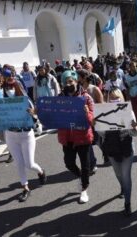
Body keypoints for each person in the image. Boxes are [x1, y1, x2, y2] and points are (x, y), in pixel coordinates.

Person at [2, 77, 46, 202]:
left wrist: (33, 114)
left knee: (29, 164)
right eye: (7, 87)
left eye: (11, 86)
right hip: (11, 134)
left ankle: (41, 171)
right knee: (19, 163)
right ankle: (25, 188)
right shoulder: (2, 101)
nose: (9, 89)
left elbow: (36, 115)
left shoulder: (25, 100)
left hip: (26, 134)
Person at [99, 88, 137, 216]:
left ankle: (128, 202)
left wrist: (133, 126)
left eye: (117, 97)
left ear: (122, 98)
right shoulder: (104, 112)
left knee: (126, 176)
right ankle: (123, 187)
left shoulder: (128, 111)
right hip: (112, 147)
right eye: (112, 98)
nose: (115, 100)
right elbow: (102, 135)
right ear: (108, 99)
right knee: (118, 174)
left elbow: (134, 133)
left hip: (126, 146)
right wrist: (97, 125)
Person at [58, 70, 95, 203]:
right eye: (66, 82)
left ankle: (84, 189)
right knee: (69, 163)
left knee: (86, 166)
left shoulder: (86, 98)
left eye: (71, 81)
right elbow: (52, 115)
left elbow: (93, 119)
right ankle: (80, 177)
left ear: (76, 81)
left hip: (83, 137)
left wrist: (87, 113)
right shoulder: (59, 99)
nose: (69, 84)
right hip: (67, 137)